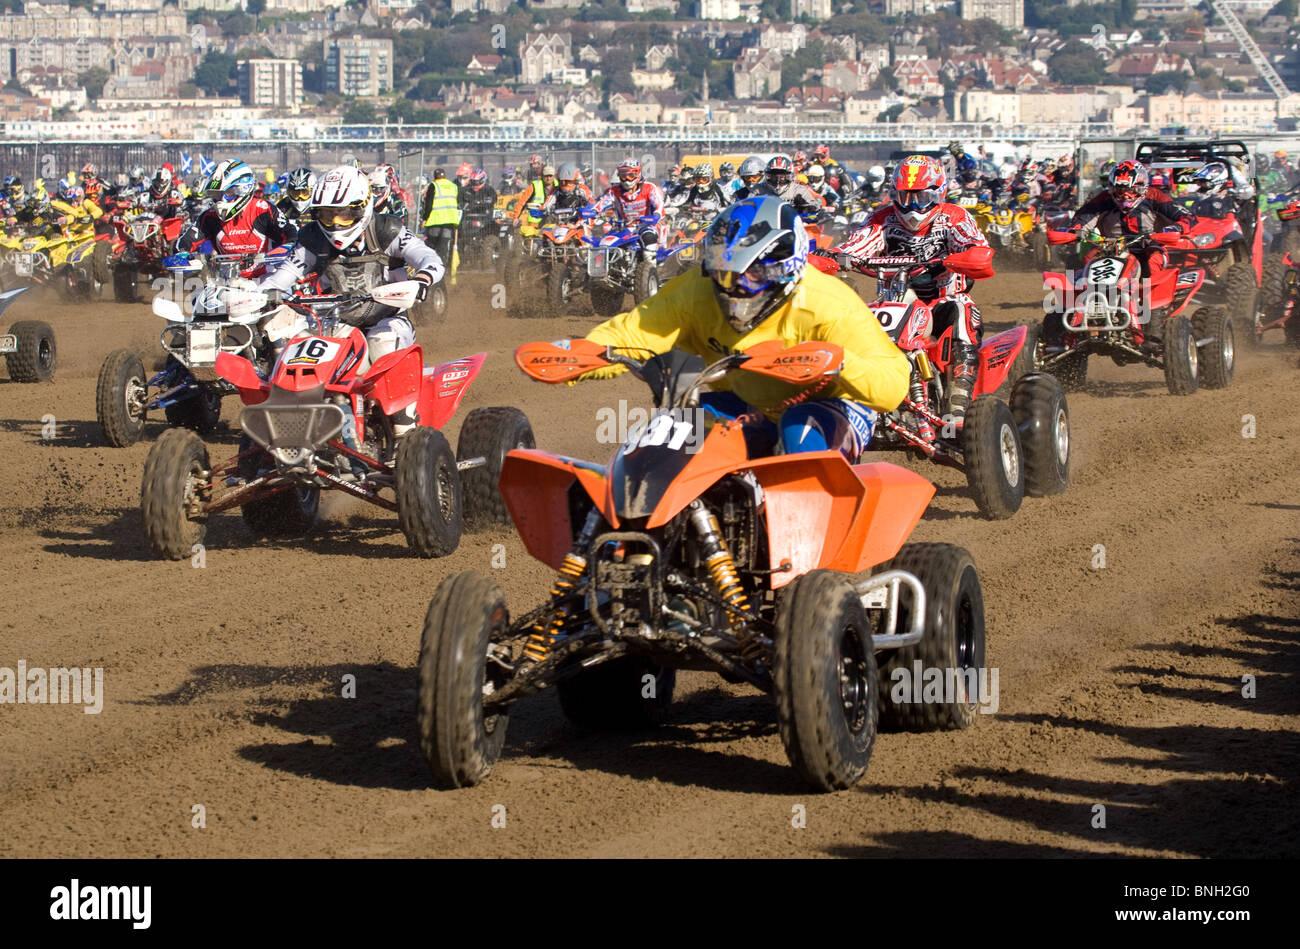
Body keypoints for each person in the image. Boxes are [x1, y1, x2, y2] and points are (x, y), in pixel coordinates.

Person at [567, 196, 910, 461]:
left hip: (831, 407)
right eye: (724, 272)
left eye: (753, 274)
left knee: (799, 430)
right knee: (669, 433)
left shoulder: (830, 304)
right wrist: (576, 357)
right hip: (744, 402)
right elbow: (631, 335)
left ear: (786, 268)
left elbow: (893, 383)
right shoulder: (696, 291)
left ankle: (808, 545)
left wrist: (839, 361)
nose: (734, 287)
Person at [257, 165, 444, 436]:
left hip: (387, 319)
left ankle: (405, 434)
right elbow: (282, 277)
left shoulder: (386, 230)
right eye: (326, 215)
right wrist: (255, 296)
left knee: (382, 346)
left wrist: (421, 281)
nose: (334, 224)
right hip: (334, 322)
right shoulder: (312, 238)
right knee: (298, 350)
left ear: (362, 207)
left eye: (343, 215)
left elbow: (430, 259)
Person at [830, 154, 992, 424]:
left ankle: (959, 401)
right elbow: (855, 246)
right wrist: (831, 256)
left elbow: (977, 248)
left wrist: (972, 255)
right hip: (898, 301)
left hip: (943, 301)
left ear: (938, 193)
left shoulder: (954, 217)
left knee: (963, 310)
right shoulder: (882, 219)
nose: (912, 206)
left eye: (921, 197)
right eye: (905, 197)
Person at [1067, 159, 1197, 343]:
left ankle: (1154, 319)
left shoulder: (1155, 197)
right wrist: (1075, 230)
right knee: (1088, 260)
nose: (1126, 196)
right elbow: (1083, 217)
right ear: (1112, 189)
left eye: (1132, 190)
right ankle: (1082, 315)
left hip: (1147, 247)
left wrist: (1177, 228)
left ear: (1142, 187)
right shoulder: (1103, 199)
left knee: (1153, 262)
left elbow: (1187, 216)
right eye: (1120, 191)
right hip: (1110, 249)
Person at [178, 159, 297, 256]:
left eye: (227, 193)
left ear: (243, 189)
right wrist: (182, 254)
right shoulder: (209, 216)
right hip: (226, 279)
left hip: (267, 275)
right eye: (217, 195)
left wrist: (287, 247)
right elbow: (186, 240)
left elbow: (289, 232)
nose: (221, 200)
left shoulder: (262, 209)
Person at [590, 158, 666, 254]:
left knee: (649, 239)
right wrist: (594, 211)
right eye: (623, 175)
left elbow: (659, 204)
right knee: (605, 244)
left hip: (644, 225)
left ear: (638, 174)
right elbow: (603, 202)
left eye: (630, 175)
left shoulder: (649, 187)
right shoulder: (615, 190)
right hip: (623, 227)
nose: (626, 179)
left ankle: (650, 267)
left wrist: (657, 214)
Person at [421, 167, 461, 280]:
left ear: (435, 177)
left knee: (431, 247)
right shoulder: (453, 186)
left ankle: (431, 269)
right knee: (444, 248)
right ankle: (443, 271)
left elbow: (428, 204)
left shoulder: (434, 186)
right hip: (450, 222)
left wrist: (424, 219)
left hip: (436, 221)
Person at [751, 154, 824, 216]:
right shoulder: (758, 189)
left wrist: (805, 208)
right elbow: (746, 206)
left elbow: (816, 207)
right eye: (774, 177)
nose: (778, 181)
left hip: (793, 226)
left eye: (782, 177)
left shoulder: (799, 190)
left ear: (790, 176)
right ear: (768, 176)